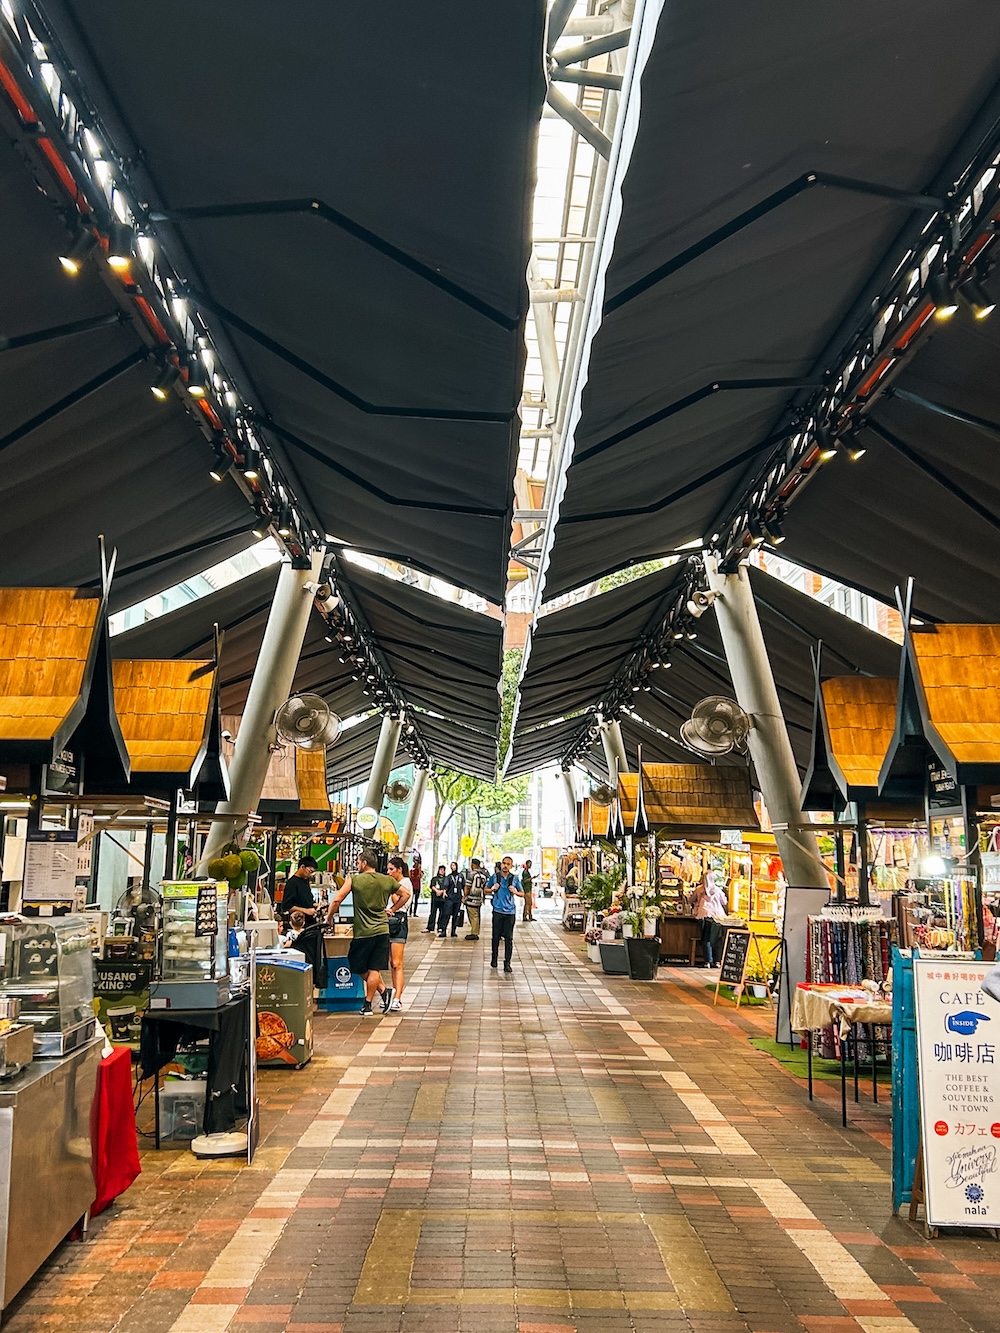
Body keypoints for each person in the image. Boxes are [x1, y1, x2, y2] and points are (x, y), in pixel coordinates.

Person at [326, 850, 405, 1015]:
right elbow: (406, 894)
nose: (357, 865)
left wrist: (329, 918)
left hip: (363, 932)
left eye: (358, 862)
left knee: (357, 964)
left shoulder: (354, 879)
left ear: (364, 863)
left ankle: (368, 1004)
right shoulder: (387, 880)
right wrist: (392, 910)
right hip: (383, 931)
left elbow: (337, 899)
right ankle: (383, 992)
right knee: (374, 968)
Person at [386, 855, 413, 1011]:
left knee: (397, 963)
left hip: (399, 921)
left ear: (399, 870)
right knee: (391, 963)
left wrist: (392, 888)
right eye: (387, 869)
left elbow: (399, 899)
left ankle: (397, 998)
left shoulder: (405, 883)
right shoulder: (395, 882)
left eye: (391, 869)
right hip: (388, 920)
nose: (389, 872)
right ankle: (393, 993)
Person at [486, 856, 523, 973]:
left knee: (509, 938)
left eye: (508, 864)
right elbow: (485, 889)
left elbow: (523, 893)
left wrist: (515, 892)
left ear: (511, 866)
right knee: (495, 937)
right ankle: (494, 958)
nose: (505, 865)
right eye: (504, 863)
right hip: (497, 911)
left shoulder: (515, 878)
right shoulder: (495, 877)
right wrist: (492, 888)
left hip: (510, 912)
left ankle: (507, 962)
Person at [689, 870, 727, 967]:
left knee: (706, 939)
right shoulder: (718, 890)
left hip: (703, 915)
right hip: (717, 917)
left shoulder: (699, 890)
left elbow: (691, 900)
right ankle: (717, 961)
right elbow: (724, 902)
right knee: (717, 939)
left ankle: (708, 961)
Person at [278, 856, 318, 930]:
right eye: (310, 871)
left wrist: (315, 905)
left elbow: (307, 899)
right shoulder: (292, 883)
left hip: (309, 923)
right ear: (302, 867)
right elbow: (287, 906)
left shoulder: (305, 881)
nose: (310, 875)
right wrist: (306, 911)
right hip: (298, 925)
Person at [438, 861, 464, 938]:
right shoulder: (449, 877)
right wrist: (444, 892)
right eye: (451, 865)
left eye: (454, 865)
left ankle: (453, 931)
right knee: (446, 914)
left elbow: (464, 886)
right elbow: (445, 886)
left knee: (456, 915)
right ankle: (443, 930)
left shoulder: (461, 876)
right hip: (450, 898)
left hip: (457, 898)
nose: (453, 867)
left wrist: (464, 896)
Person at [463, 857, 487, 940]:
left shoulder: (471, 874)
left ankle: (474, 932)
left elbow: (467, 886)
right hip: (479, 898)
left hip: (471, 898)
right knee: (477, 915)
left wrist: (464, 896)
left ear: (473, 865)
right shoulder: (483, 875)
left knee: (473, 916)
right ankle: (476, 931)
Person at [426, 864, 447, 933]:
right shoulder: (434, 879)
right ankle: (430, 927)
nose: (442, 871)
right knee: (433, 912)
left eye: (443, 870)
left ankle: (440, 927)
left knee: (442, 913)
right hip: (435, 898)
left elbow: (446, 887)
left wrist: (442, 891)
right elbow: (432, 886)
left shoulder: (446, 879)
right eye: (441, 870)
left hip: (442, 899)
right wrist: (437, 891)